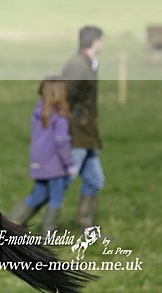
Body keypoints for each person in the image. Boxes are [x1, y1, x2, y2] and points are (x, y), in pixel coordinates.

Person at [7, 77, 77, 234]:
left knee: (39, 194)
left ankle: (12, 222)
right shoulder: (60, 116)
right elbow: (62, 142)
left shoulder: (38, 111)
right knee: (56, 197)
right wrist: (69, 164)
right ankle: (49, 232)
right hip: (55, 164)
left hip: (38, 161)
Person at [62, 25, 105, 230]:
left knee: (95, 180)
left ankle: (87, 231)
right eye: (101, 40)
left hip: (87, 135)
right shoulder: (77, 66)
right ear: (95, 41)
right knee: (60, 183)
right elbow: (64, 99)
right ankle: (17, 222)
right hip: (76, 134)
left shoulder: (88, 63)